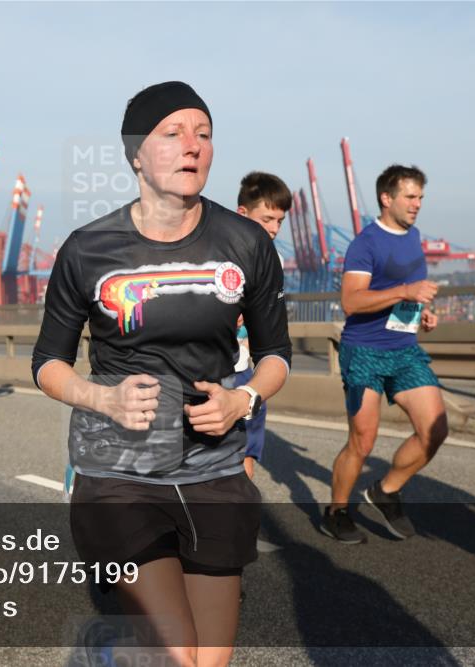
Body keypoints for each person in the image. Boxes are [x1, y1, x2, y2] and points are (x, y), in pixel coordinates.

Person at [32, 82, 291, 666]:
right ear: (136, 154)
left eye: (203, 133)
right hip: (120, 471)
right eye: (172, 133)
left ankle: (111, 653)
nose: (192, 145)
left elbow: (277, 355)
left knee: (209, 663)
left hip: (215, 467)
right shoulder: (88, 249)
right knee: (177, 654)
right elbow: (47, 362)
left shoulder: (245, 241)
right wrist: (102, 399)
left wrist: (242, 398)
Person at [321, 165, 448, 544]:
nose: (417, 204)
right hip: (364, 351)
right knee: (363, 440)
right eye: (410, 197)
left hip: (405, 350)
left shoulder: (414, 237)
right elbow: (351, 301)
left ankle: (386, 491)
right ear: (386, 198)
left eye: (421, 197)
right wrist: (406, 292)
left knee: (435, 430)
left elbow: (405, 294)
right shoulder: (365, 244)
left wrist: (420, 313)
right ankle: (337, 511)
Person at [234, 172, 292, 479]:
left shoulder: (276, 260)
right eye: (267, 219)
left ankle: (237, 524)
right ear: (242, 213)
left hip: (245, 370)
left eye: (279, 221)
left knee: (247, 455)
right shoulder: (215, 250)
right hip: (206, 371)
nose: (274, 229)